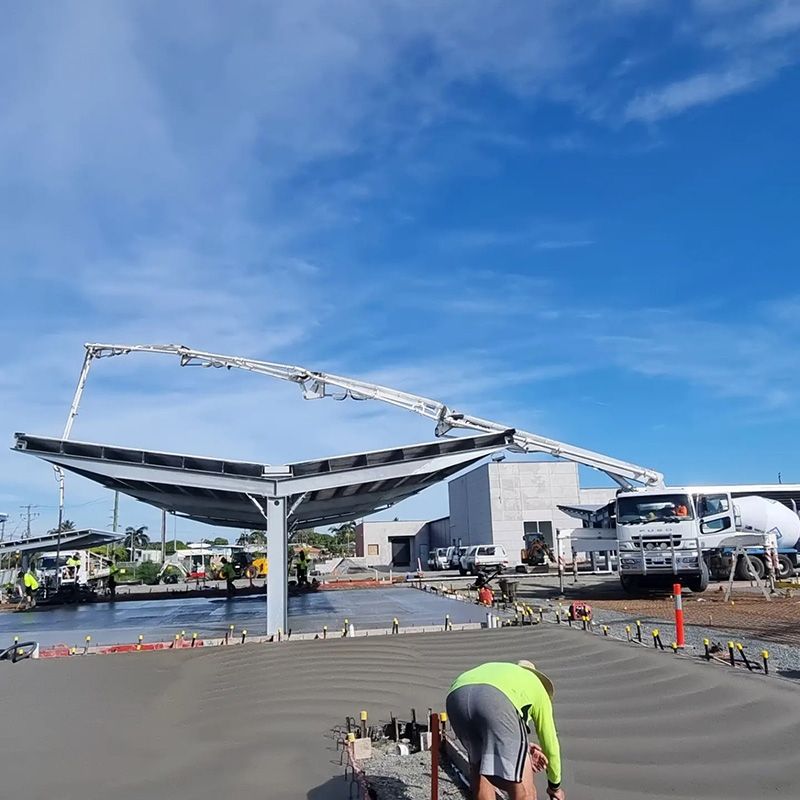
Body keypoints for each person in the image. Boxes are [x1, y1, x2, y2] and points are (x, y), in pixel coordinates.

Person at [446, 660, 565, 800]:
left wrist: (523, 747)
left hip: (456, 697)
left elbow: (495, 728)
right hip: (496, 701)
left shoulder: (504, 673)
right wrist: (554, 787)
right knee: (523, 791)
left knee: (479, 771)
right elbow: (550, 743)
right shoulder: (538, 688)